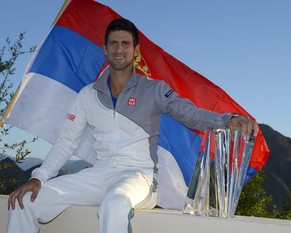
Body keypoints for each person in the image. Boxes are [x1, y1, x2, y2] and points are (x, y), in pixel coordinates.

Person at [7, 18, 257, 233]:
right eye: (113, 43)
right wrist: (39, 177)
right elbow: (66, 142)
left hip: (138, 176)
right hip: (98, 173)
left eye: (125, 44)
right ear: (104, 49)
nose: (119, 49)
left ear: (135, 50)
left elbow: (190, 114)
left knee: (114, 203)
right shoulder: (87, 94)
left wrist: (227, 119)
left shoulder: (155, 89)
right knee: (25, 202)